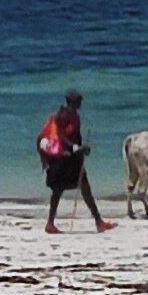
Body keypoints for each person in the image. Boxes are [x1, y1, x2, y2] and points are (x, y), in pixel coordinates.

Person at [37, 90, 109, 233]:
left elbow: (72, 135)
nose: (80, 104)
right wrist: (77, 148)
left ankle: (98, 221)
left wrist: (80, 150)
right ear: (72, 102)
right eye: (78, 101)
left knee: (80, 188)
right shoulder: (64, 115)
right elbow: (61, 136)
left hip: (71, 157)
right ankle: (51, 224)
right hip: (64, 158)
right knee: (61, 190)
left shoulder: (72, 115)